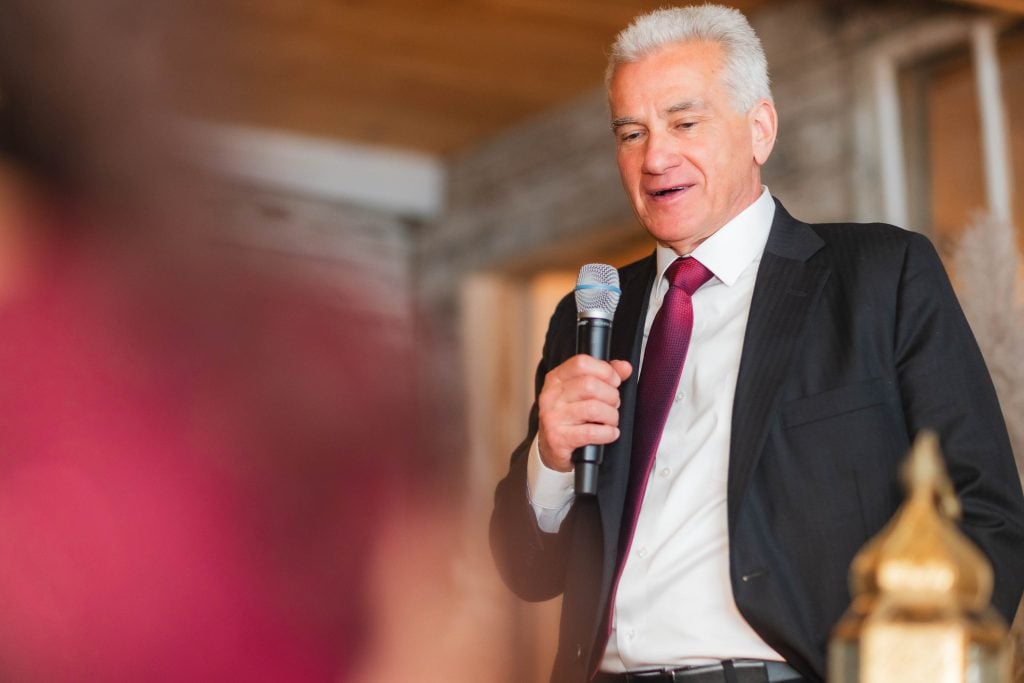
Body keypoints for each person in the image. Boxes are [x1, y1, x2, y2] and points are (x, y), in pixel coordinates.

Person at [489, 5, 1024, 683]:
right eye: (632, 132)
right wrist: (551, 457)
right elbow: (526, 570)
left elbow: (988, 512)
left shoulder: (880, 276)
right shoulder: (591, 314)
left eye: (685, 122)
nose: (655, 157)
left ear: (759, 129)